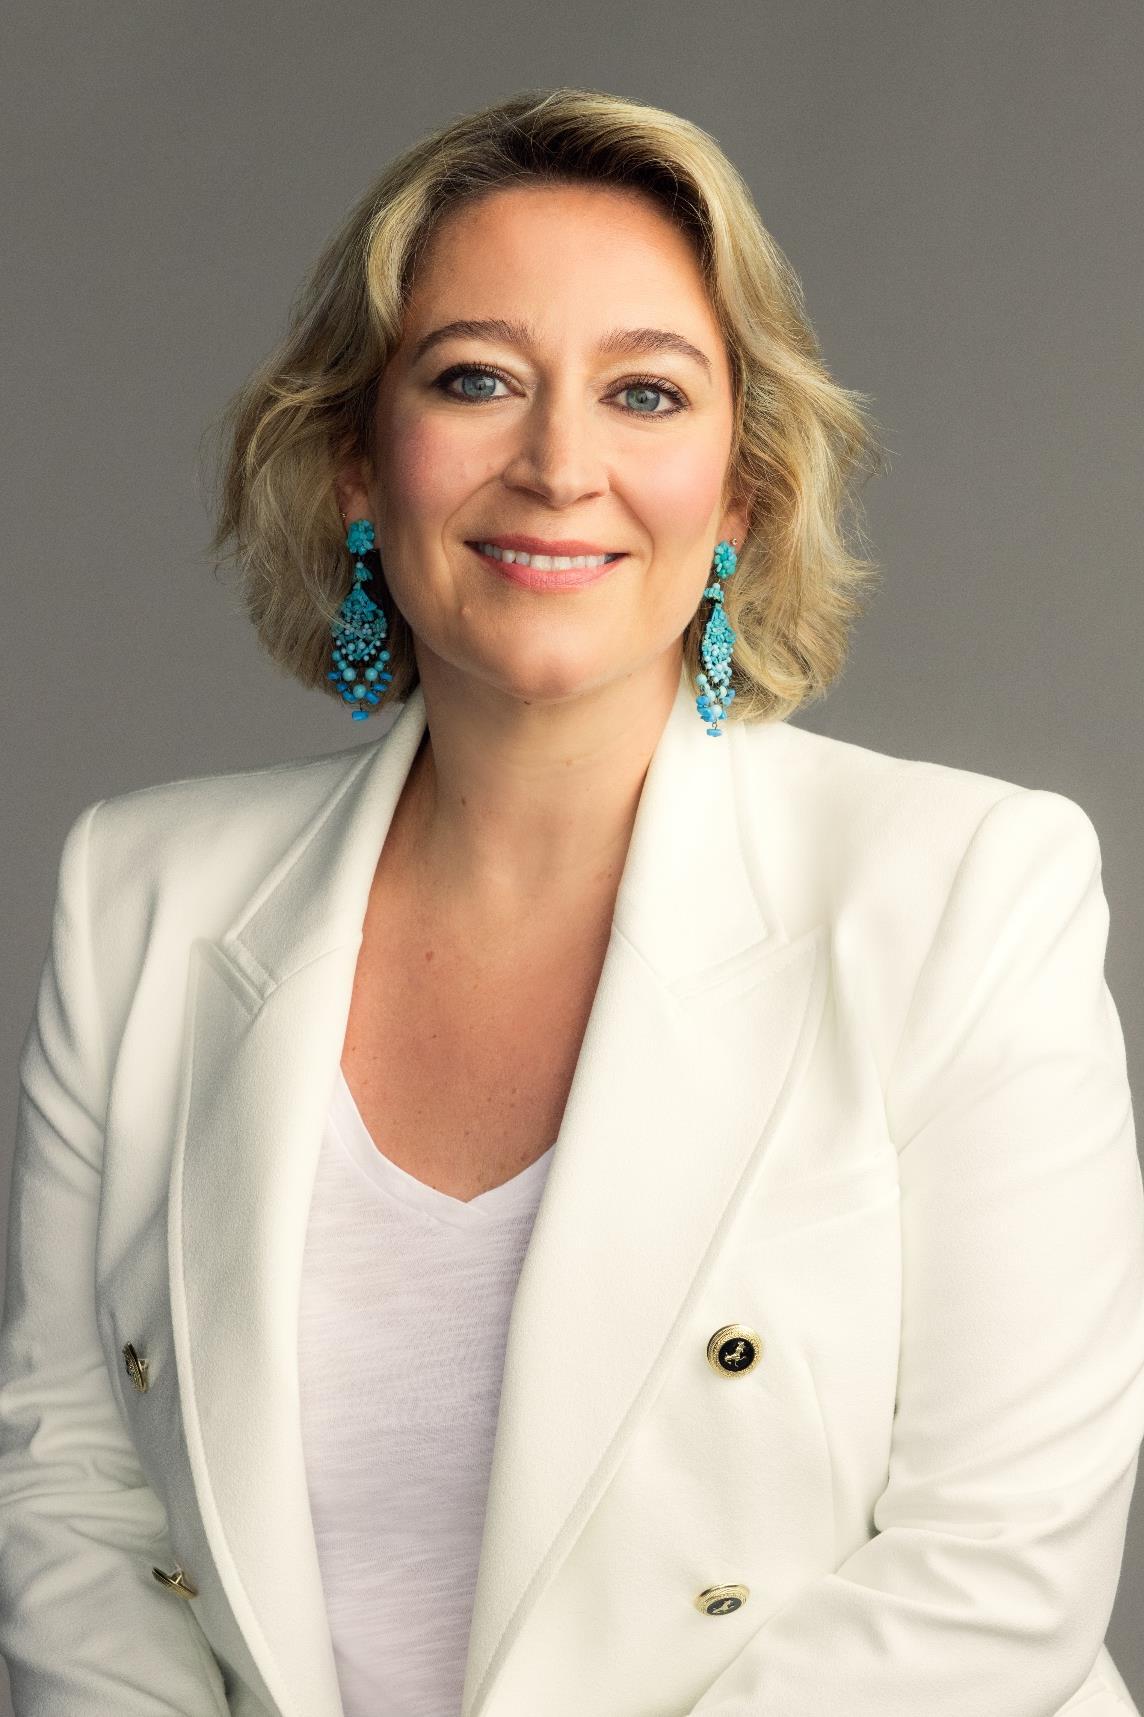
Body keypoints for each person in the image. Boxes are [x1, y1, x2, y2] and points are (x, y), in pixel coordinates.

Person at [1, 85, 1141, 1717]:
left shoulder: (969, 893)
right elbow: (75, 1492)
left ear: (741, 494)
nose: (557, 466)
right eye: (476, 379)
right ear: (356, 463)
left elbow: (999, 1564)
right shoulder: (139, 894)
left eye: (645, 393)